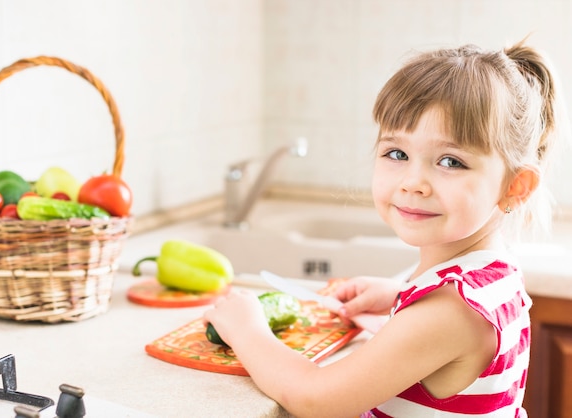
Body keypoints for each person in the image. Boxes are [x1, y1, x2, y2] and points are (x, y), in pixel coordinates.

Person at [204, 38, 567, 417]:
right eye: (397, 153)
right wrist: (400, 296)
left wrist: (247, 330)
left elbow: (316, 399)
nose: (413, 182)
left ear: (515, 186)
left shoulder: (452, 311)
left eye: (450, 162)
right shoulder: (488, 272)